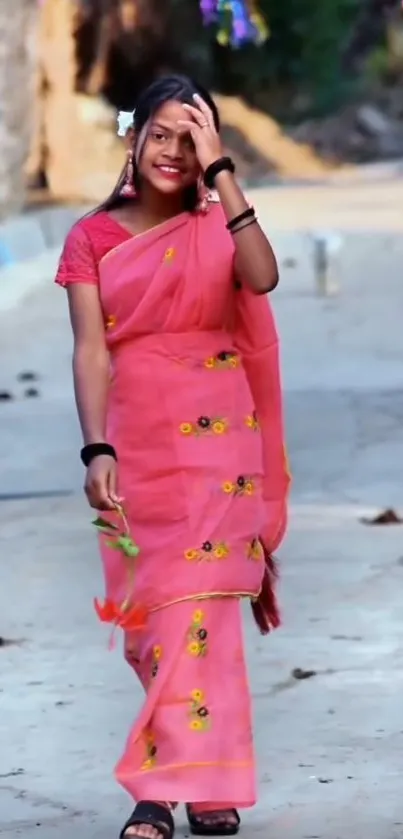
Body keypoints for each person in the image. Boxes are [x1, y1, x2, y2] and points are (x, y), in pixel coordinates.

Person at [55, 74, 290, 839]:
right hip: (136, 445)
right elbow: (91, 352)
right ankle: (205, 777)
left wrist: (223, 177)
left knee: (203, 614)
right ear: (134, 138)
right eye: (161, 134)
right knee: (154, 623)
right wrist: (95, 447)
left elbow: (262, 276)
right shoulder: (91, 236)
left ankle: (160, 790)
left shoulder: (220, 223)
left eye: (191, 141)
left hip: (220, 446)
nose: (173, 153)